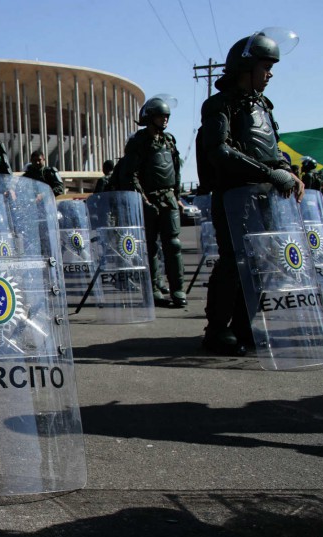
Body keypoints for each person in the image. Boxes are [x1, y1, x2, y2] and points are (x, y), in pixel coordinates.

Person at [196, 31, 304, 354]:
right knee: (234, 261)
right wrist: (270, 173)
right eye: (265, 67)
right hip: (234, 197)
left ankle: (244, 326)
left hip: (265, 197)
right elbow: (219, 151)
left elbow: (272, 148)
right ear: (246, 67)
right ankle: (216, 330)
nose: (270, 74)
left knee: (262, 261)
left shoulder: (263, 105)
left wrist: (287, 171)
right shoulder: (219, 105)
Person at [121, 96, 186, 308]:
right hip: (148, 199)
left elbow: (175, 170)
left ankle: (177, 289)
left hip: (169, 198)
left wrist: (177, 196)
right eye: (160, 116)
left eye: (166, 116)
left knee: (173, 244)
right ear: (150, 117)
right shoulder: (138, 142)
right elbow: (130, 174)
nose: (164, 119)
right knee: (150, 247)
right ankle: (153, 289)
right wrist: (143, 198)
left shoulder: (169, 141)